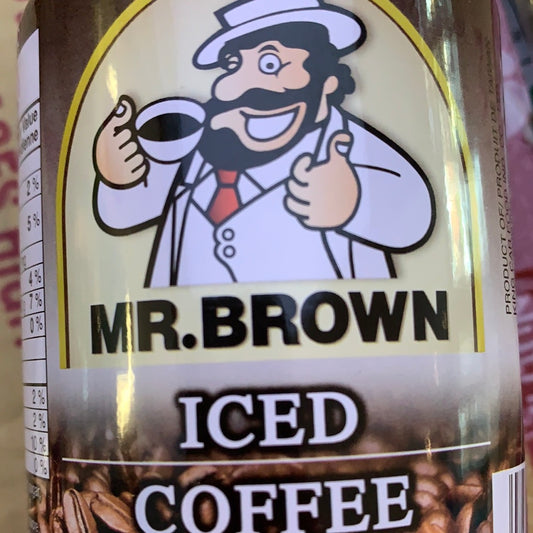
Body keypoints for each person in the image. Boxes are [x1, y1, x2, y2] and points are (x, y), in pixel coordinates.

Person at [93, 0, 435, 287]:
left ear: (328, 81)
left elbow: (414, 214)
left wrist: (356, 203)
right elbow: (128, 215)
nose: (239, 86)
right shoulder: (204, 136)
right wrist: (120, 177)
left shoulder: (344, 144)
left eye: (270, 63)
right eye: (233, 65)